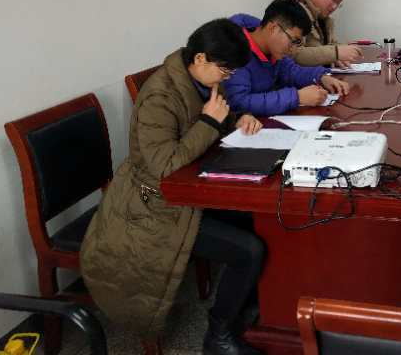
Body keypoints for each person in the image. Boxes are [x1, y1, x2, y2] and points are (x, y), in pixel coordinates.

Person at [82, 18, 265, 355]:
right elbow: (164, 165)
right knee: (248, 250)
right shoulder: (159, 96)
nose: (227, 78)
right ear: (200, 58)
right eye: (225, 70)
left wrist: (235, 118)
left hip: (191, 188)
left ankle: (248, 305)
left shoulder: (203, 79)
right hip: (155, 203)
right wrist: (210, 121)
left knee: (259, 220)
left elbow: (214, 117)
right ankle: (218, 335)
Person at [223, 0, 349, 116]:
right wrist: (297, 97)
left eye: (297, 43)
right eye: (293, 41)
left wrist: (321, 77)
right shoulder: (235, 49)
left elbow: (291, 71)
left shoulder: (273, 49)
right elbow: (238, 102)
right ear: (273, 28)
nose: (293, 49)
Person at [282, 0, 363, 67]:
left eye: (338, 3)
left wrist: (344, 50)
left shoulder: (323, 18)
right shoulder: (292, 10)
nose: (334, 7)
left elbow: (330, 45)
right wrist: (335, 53)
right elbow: (294, 54)